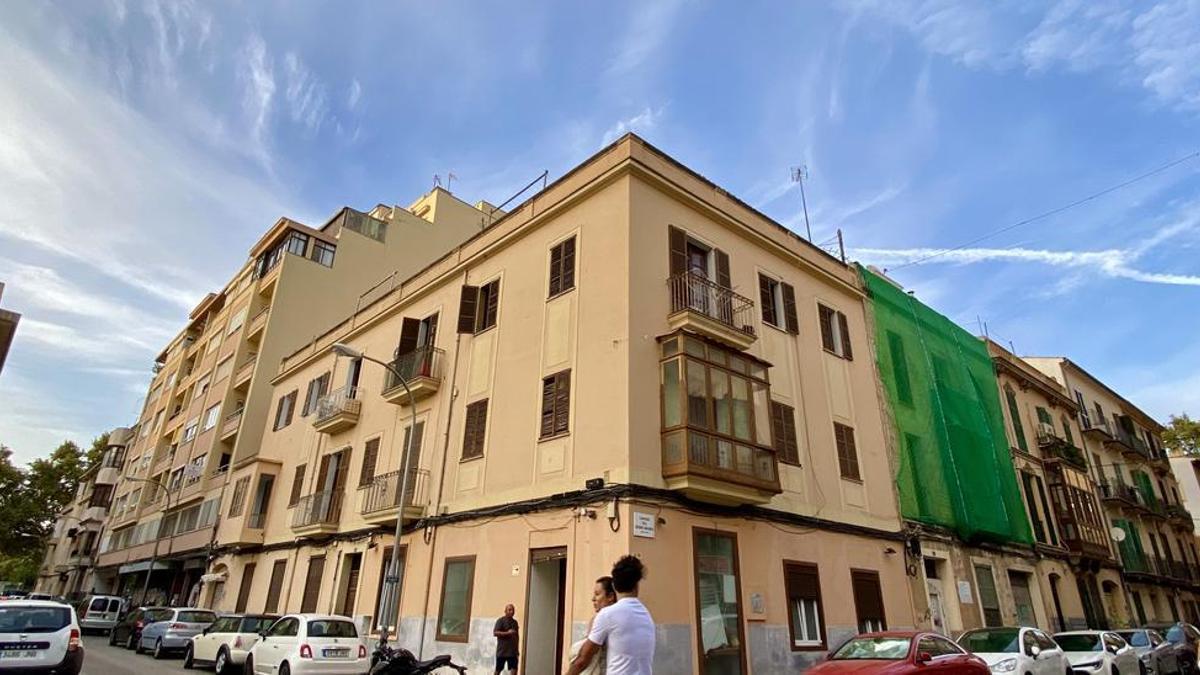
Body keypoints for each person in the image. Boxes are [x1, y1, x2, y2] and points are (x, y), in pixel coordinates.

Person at [566, 556, 655, 675]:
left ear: (614, 587)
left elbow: (582, 660)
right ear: (636, 585)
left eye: (597, 594)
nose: (593, 599)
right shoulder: (646, 615)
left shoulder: (607, 615)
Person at [568, 577, 618, 675]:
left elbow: (584, 658)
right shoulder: (597, 619)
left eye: (597, 594)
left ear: (611, 596)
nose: (593, 599)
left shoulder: (604, 619)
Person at [493, 603, 520, 675]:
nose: (512, 611)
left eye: (513, 610)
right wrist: (507, 633)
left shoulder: (515, 622)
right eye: (510, 610)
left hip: (512, 652)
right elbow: (495, 633)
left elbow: (517, 636)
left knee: (514, 669)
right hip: (502, 651)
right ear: (505, 611)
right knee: (498, 670)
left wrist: (517, 650)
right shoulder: (500, 621)